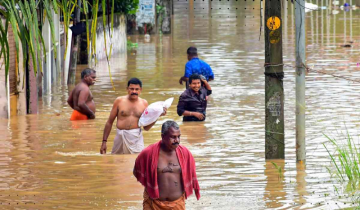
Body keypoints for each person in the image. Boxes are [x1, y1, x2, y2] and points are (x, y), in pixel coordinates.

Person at [133, 121, 200, 210]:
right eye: (173, 137)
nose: (177, 140)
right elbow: (137, 171)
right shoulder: (149, 152)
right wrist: (150, 185)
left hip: (177, 203)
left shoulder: (185, 153)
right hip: (153, 203)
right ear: (163, 136)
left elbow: (190, 174)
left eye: (178, 137)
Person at [100, 78, 166, 154]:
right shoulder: (119, 101)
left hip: (136, 139)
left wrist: (157, 115)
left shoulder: (144, 103)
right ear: (127, 89)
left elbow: (146, 127)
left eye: (136, 89)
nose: (134, 91)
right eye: (131, 89)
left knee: (136, 161)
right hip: (120, 136)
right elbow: (109, 122)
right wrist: (104, 142)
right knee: (117, 161)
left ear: (140, 90)